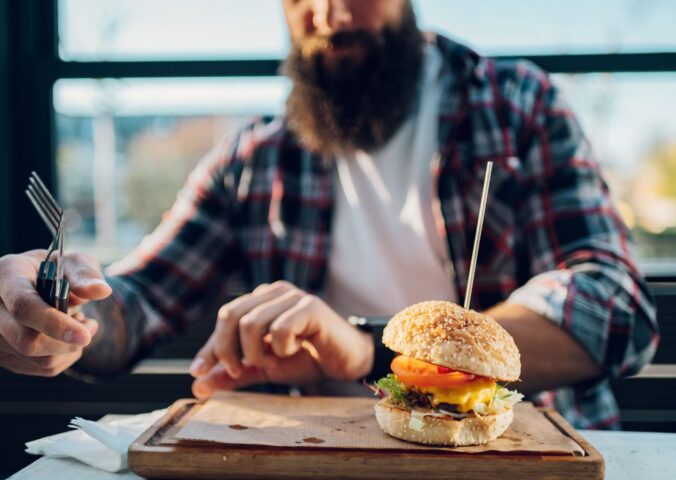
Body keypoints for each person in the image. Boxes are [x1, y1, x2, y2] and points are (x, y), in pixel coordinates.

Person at [0, 0, 659, 430]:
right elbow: (136, 302)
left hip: (516, 458)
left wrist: (368, 349)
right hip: (316, 454)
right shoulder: (255, 158)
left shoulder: (518, 106)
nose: (332, 12)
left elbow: (614, 305)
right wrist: (59, 310)